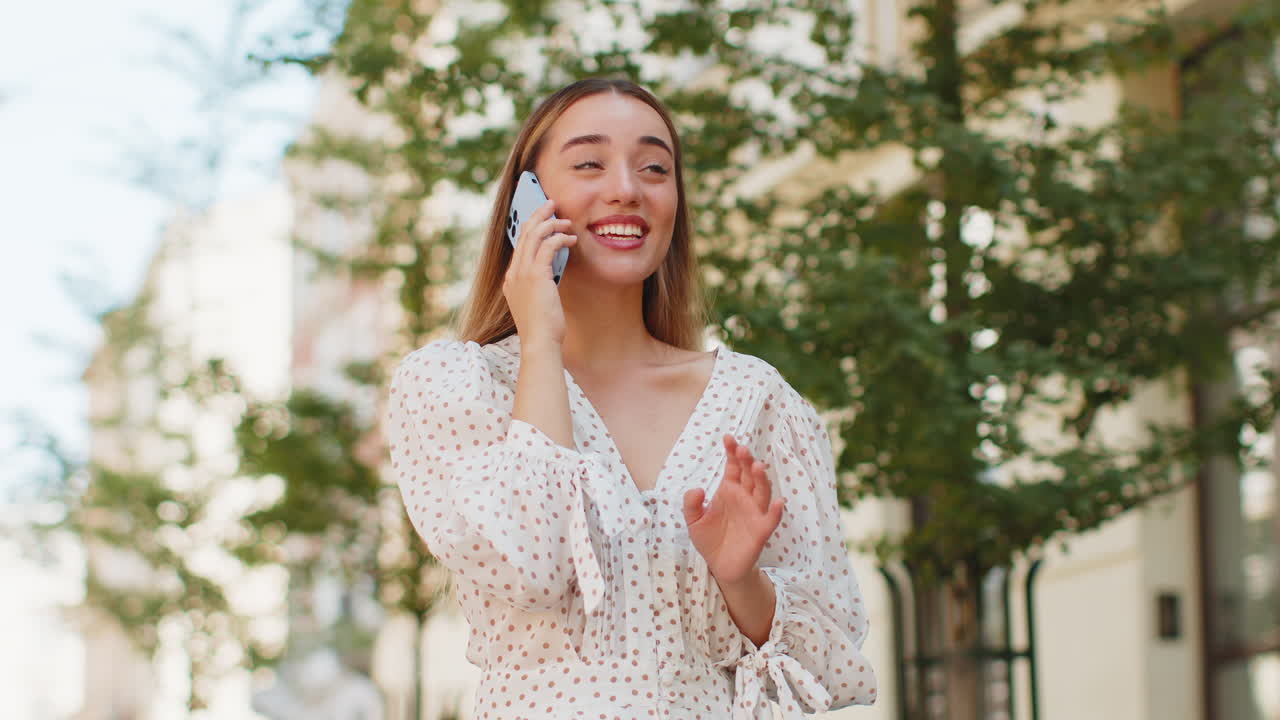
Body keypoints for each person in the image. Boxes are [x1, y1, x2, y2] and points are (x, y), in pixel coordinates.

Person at [386, 77, 876, 719]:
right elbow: (535, 566)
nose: (627, 188)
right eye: (590, 163)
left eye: (654, 168)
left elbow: (828, 666)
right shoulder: (457, 387)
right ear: (526, 202)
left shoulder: (756, 400)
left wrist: (740, 581)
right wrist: (540, 342)